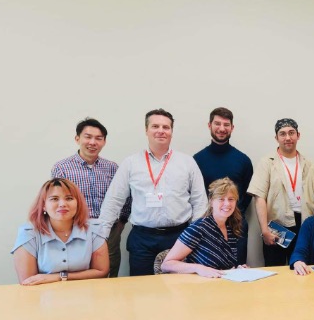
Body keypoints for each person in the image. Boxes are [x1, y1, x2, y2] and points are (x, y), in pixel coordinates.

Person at [99, 108, 208, 276]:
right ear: (146, 130)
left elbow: (200, 202)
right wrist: (101, 237)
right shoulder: (131, 163)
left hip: (179, 238)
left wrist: (195, 236)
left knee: (178, 288)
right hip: (142, 240)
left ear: (171, 132)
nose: (161, 131)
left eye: (166, 127)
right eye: (155, 126)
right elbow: (113, 201)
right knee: (142, 288)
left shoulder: (187, 162)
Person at [51, 117, 131, 277]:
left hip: (109, 230)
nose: (93, 142)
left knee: (110, 271)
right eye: (88, 137)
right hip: (76, 229)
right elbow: (57, 201)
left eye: (98, 138)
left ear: (104, 142)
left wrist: (122, 221)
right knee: (80, 272)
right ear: (77, 139)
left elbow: (125, 197)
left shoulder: (112, 168)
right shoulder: (62, 168)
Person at [11, 178, 109, 285]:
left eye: (69, 198)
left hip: (86, 292)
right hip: (43, 294)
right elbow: (28, 281)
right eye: (54, 199)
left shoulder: (94, 229)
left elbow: (102, 271)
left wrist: (59, 277)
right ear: (43, 206)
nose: (62, 204)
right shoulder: (29, 233)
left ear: (77, 203)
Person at [194, 107, 253, 265]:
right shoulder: (197, 160)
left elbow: (248, 193)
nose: (221, 128)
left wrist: (233, 213)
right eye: (217, 124)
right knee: (208, 270)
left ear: (232, 127)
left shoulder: (243, 160)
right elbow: (195, 194)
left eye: (226, 125)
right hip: (206, 224)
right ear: (209, 125)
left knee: (238, 270)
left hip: (236, 225)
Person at [248, 118, 310, 266]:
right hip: (276, 226)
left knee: (301, 268)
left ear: (298, 135)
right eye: (282, 134)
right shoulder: (267, 163)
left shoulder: (307, 164)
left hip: (303, 223)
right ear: (276, 138)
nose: (287, 137)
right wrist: (264, 230)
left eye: (291, 133)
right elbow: (259, 197)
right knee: (275, 270)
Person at [161, 178, 244, 277]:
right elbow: (166, 265)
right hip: (198, 285)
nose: (227, 204)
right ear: (211, 202)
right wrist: (198, 268)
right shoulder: (199, 228)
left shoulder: (231, 228)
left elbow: (224, 266)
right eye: (221, 199)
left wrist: (237, 270)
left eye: (231, 199)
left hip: (221, 284)